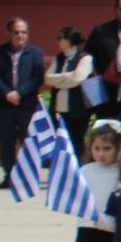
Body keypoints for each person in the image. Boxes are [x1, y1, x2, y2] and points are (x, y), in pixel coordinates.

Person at [0, 19, 47, 190]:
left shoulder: (36, 53)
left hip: (26, 104)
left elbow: (37, 77)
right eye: (16, 32)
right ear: (8, 33)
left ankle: (28, 178)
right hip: (3, 105)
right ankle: (9, 177)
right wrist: (7, 93)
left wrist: (19, 93)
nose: (20, 36)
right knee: (6, 142)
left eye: (23, 32)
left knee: (28, 143)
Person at [83, 0, 121, 126]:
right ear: (115, 9)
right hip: (105, 87)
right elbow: (87, 55)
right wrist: (92, 78)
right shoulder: (101, 30)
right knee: (106, 125)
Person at [43, 26, 95, 155]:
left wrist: (58, 81)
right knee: (60, 142)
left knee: (76, 143)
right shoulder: (58, 58)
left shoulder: (85, 58)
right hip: (59, 110)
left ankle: (76, 166)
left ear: (68, 40)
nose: (57, 41)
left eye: (60, 38)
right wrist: (67, 75)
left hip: (78, 111)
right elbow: (47, 79)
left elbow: (77, 79)